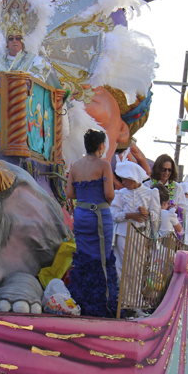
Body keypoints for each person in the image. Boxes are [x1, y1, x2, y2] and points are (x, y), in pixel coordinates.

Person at [63, 129, 117, 317]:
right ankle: (102, 305)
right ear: (101, 146)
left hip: (81, 215)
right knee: (102, 259)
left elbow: (69, 194)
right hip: (99, 216)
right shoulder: (104, 165)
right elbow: (110, 194)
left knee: (84, 257)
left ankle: (81, 300)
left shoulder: (75, 166)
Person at [110, 160, 160, 277]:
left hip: (141, 235)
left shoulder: (150, 193)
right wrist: (130, 215)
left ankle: (135, 295)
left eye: (125, 179)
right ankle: (122, 295)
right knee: (121, 267)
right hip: (123, 234)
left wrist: (147, 213)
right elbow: (113, 214)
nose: (123, 182)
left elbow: (156, 215)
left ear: (133, 178)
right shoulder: (120, 193)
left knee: (138, 267)